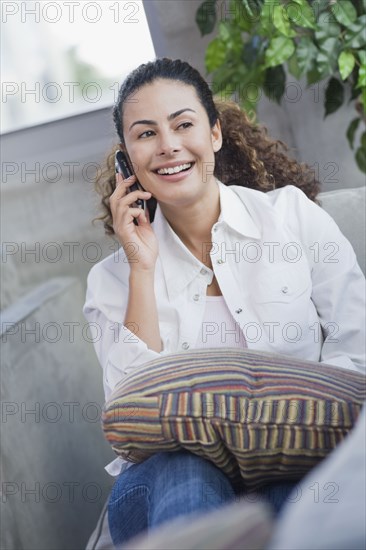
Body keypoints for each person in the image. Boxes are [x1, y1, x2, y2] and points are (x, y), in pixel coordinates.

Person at [83, 58, 365, 546]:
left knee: (289, 497)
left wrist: (284, 436)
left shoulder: (293, 219)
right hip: (163, 480)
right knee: (184, 472)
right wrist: (142, 270)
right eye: (146, 134)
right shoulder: (113, 278)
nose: (168, 145)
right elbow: (131, 418)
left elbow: (358, 351)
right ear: (126, 159)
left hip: (295, 457)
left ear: (214, 133)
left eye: (183, 124)